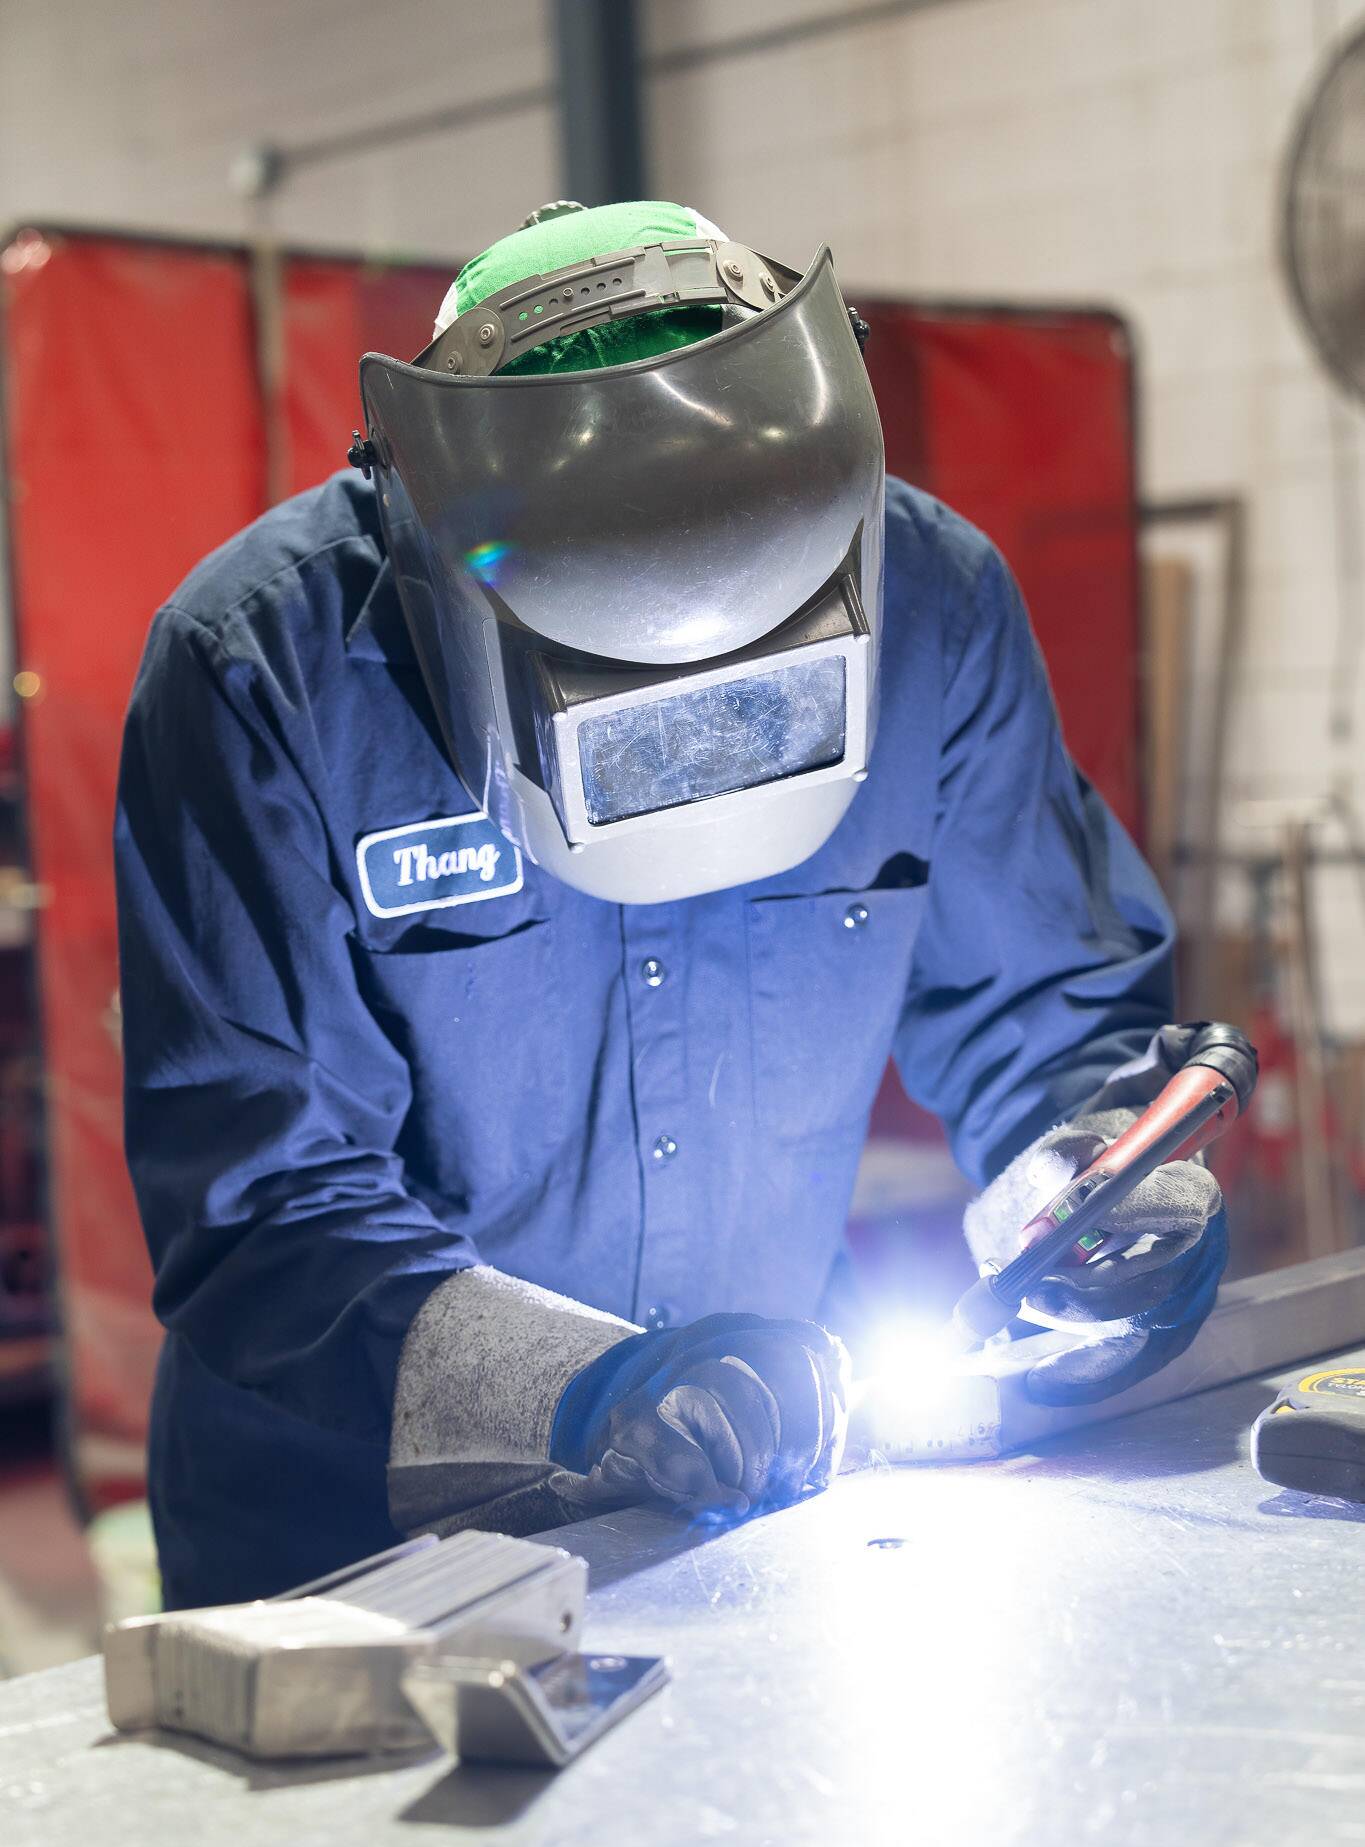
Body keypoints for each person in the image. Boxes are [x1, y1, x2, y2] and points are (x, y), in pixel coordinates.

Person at [115, 201, 1225, 1609]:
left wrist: (1101, 1184)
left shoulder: (932, 604)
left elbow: (1050, 1010)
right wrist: (593, 1393)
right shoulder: (260, 668)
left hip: (757, 1502)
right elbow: (263, 1200)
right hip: (352, 1533)